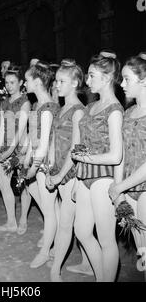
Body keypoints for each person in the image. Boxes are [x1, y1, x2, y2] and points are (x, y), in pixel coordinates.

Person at [71, 53, 123, 281]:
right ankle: (100, 274)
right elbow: (80, 145)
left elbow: (115, 155)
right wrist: (76, 177)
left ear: (107, 77)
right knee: (81, 231)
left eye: (92, 76)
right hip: (84, 176)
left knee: (106, 239)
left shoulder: (114, 110)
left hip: (103, 178)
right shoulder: (91, 105)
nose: (88, 81)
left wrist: (84, 158)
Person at [45, 59, 92, 281]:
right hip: (58, 173)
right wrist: (50, 168)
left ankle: (56, 270)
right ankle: (87, 264)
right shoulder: (62, 108)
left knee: (67, 223)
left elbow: (76, 150)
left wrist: (59, 176)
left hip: (72, 174)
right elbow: (55, 141)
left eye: (61, 81)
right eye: (56, 81)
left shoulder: (78, 112)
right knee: (71, 222)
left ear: (74, 83)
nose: (56, 85)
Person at [108, 53, 146, 281]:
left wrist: (121, 186)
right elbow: (120, 154)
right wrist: (117, 188)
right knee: (140, 250)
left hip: (143, 189)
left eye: (127, 79)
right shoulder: (129, 112)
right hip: (127, 187)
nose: (122, 84)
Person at [23, 61, 60, 268]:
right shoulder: (38, 105)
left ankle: (46, 251)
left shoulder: (46, 108)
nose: (25, 84)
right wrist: (27, 155)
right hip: (39, 161)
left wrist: (32, 168)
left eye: (27, 80)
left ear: (37, 82)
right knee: (50, 208)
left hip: (45, 164)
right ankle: (52, 243)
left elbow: (44, 146)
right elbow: (33, 136)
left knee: (49, 209)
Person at [0, 65, 31, 234]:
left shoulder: (25, 102)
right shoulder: (4, 102)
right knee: (3, 183)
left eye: (13, 82)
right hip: (6, 146)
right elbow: (2, 127)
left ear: (21, 82)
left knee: (23, 184)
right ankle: (11, 222)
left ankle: (23, 220)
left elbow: (21, 128)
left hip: (21, 147)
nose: (9, 86)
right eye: (7, 82)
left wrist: (10, 150)